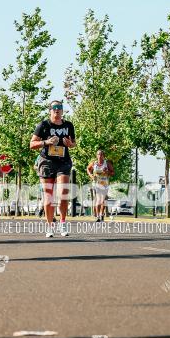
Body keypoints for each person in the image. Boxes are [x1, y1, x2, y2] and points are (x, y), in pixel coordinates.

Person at [30, 99, 76, 237]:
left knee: (63, 193)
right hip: (47, 161)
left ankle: (62, 223)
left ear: (62, 111)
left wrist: (70, 144)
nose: (57, 110)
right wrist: (46, 142)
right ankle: (49, 226)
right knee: (48, 196)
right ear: (50, 110)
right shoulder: (43, 125)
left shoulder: (68, 125)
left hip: (63, 161)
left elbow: (74, 143)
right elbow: (31, 144)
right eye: (54, 107)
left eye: (59, 107)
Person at [86, 149, 113, 222]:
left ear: (104, 156)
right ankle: (97, 216)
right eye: (98, 154)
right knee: (98, 199)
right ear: (96, 155)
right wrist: (91, 175)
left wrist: (107, 172)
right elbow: (88, 169)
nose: (100, 156)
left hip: (105, 183)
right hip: (96, 184)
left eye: (101, 154)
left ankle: (101, 214)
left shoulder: (107, 163)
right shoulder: (94, 163)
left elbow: (112, 172)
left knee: (103, 200)